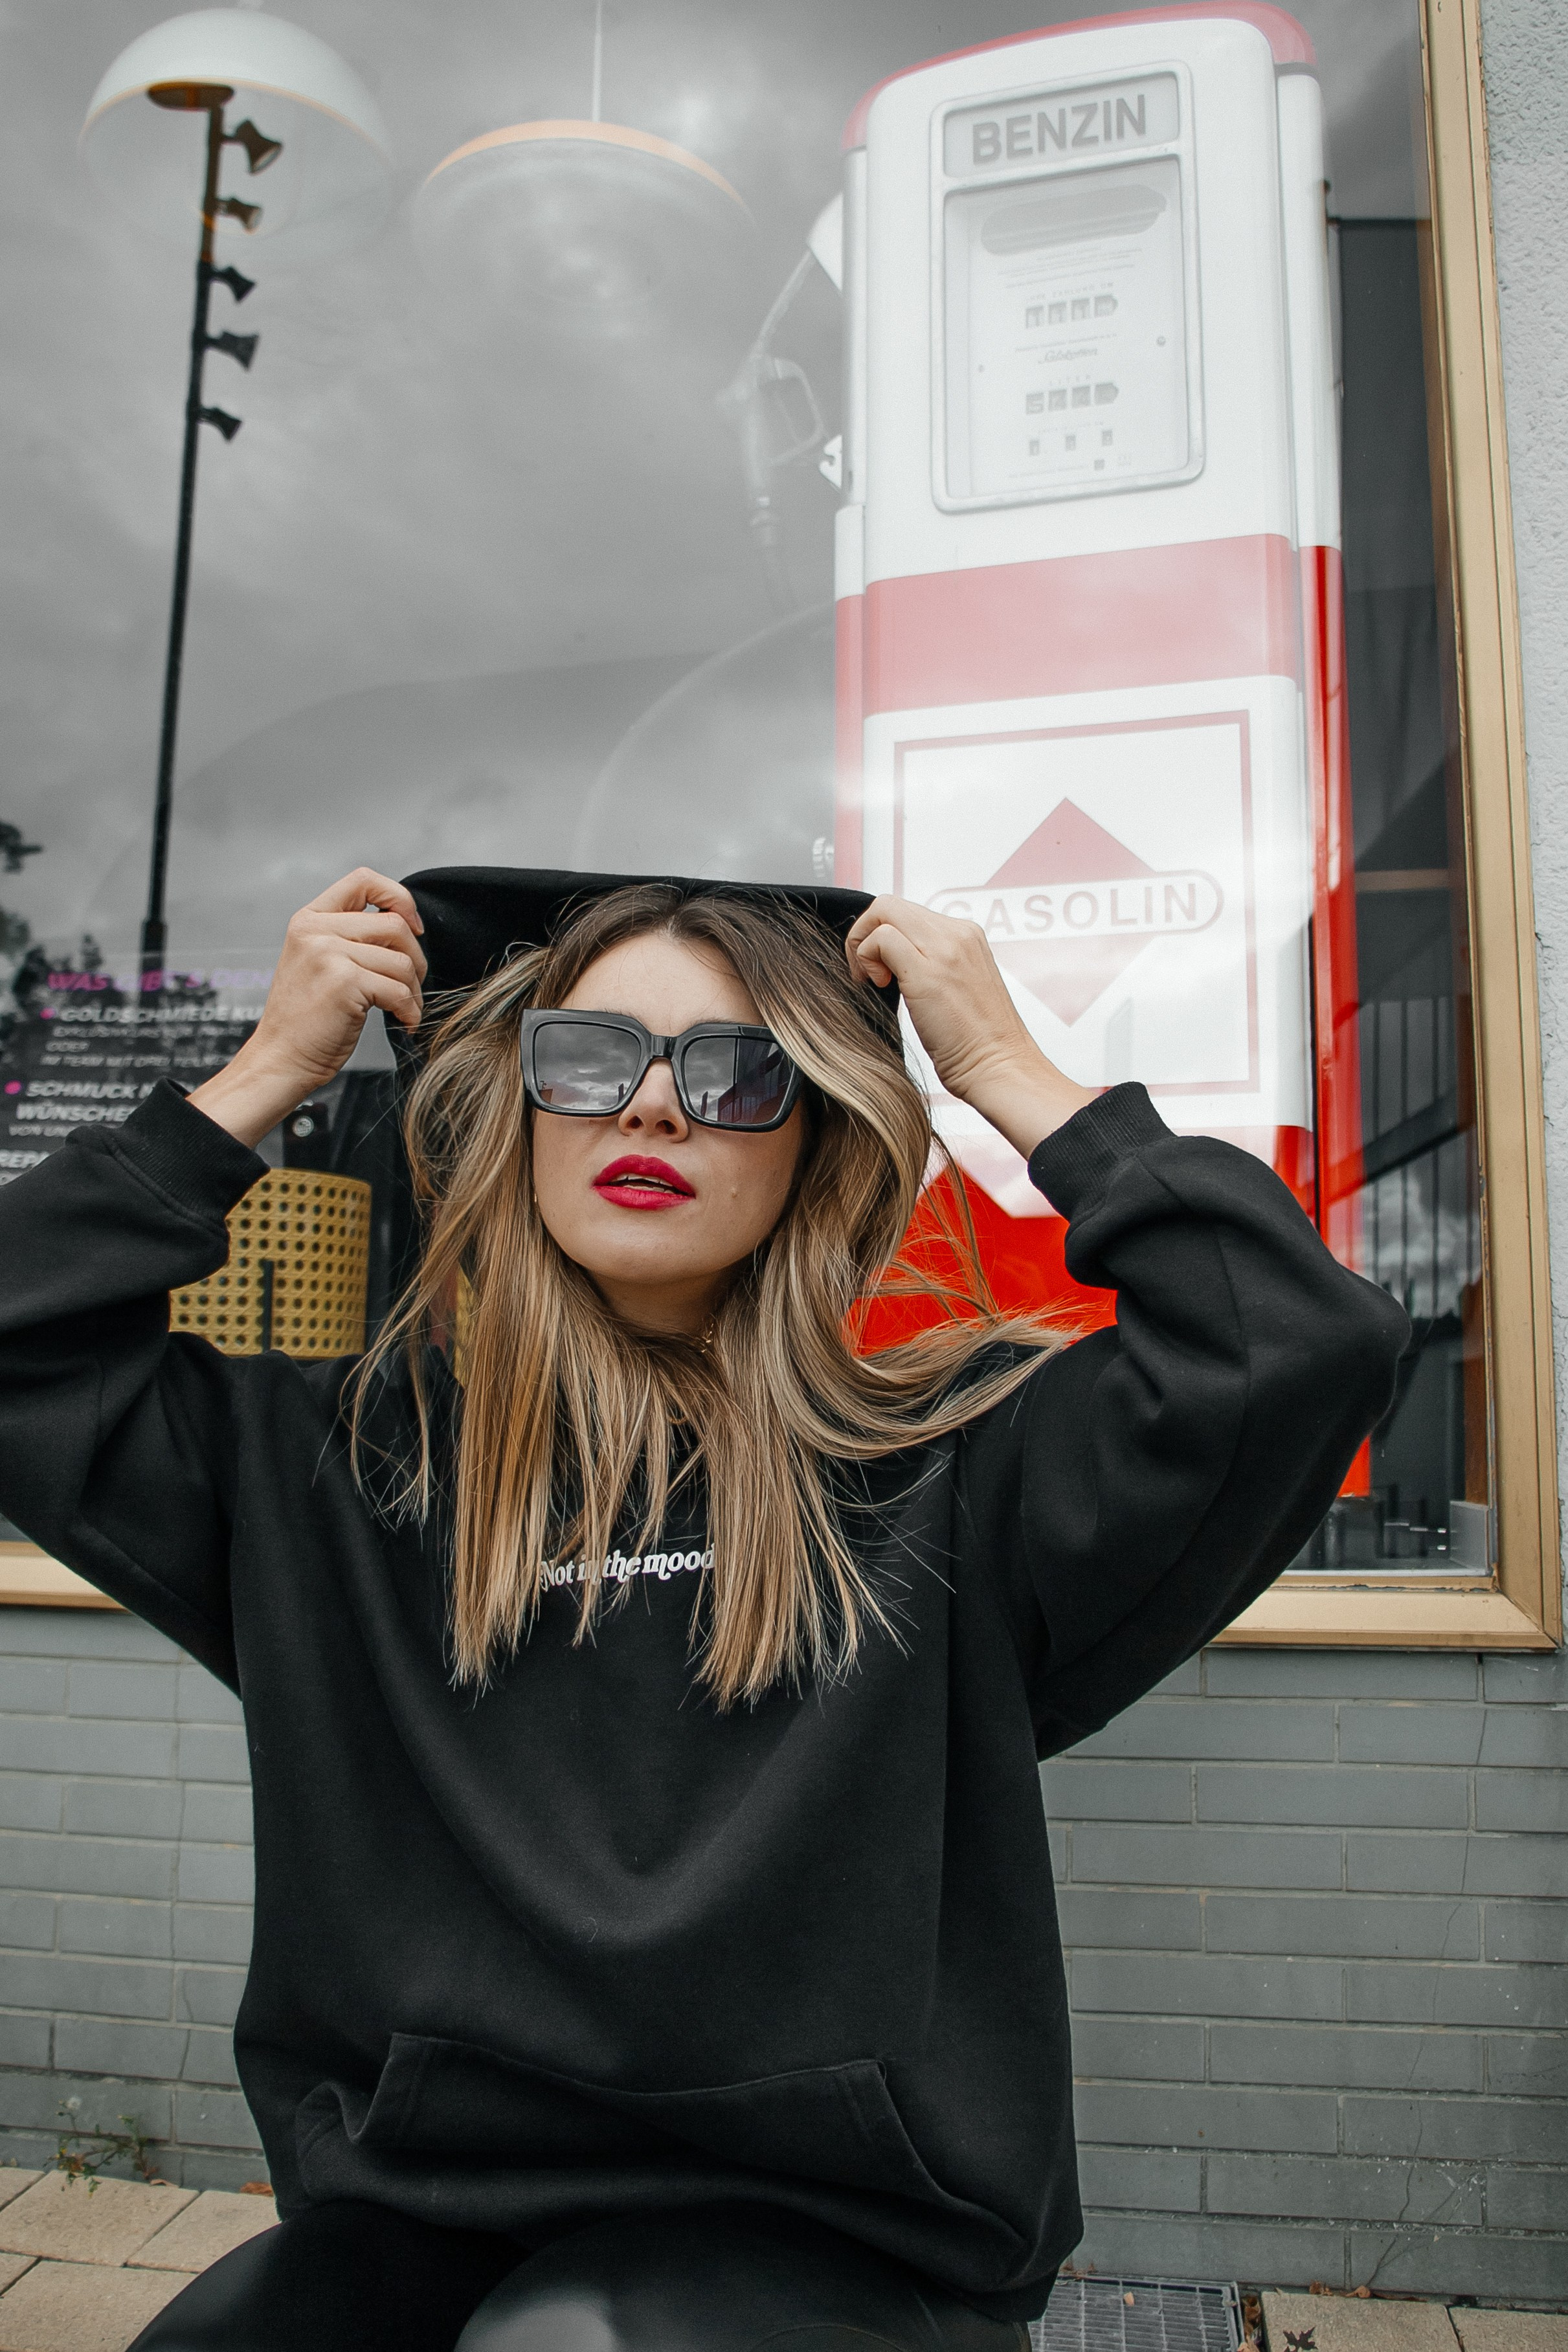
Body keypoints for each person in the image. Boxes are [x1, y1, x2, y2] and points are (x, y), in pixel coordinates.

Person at [0, 866, 1407, 2352]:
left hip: (839, 2231)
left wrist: (1006, 1071)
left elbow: (1288, 1343)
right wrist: (268, 1070)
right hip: (425, 2206)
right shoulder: (339, 1477)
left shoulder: (955, 1474)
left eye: (738, 1073)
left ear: (811, 1144)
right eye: (589, 1057)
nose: (652, 1107)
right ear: (518, 1113)